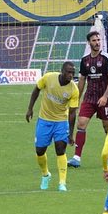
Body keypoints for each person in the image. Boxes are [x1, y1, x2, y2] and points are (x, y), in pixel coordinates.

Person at [26, 61, 80, 192]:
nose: (71, 75)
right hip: (44, 120)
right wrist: (30, 109)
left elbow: (72, 113)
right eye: (68, 72)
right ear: (62, 71)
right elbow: (36, 90)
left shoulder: (74, 89)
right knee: (40, 151)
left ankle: (62, 183)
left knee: (60, 150)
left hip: (61, 122)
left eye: (73, 72)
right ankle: (46, 174)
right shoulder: (49, 77)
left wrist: (71, 134)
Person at [69, 30, 108, 168]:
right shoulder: (85, 60)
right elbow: (82, 80)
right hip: (89, 98)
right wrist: (76, 99)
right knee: (81, 124)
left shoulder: (106, 57)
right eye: (94, 40)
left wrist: (105, 96)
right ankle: (76, 158)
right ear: (89, 42)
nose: (97, 43)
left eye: (98, 40)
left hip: (105, 98)